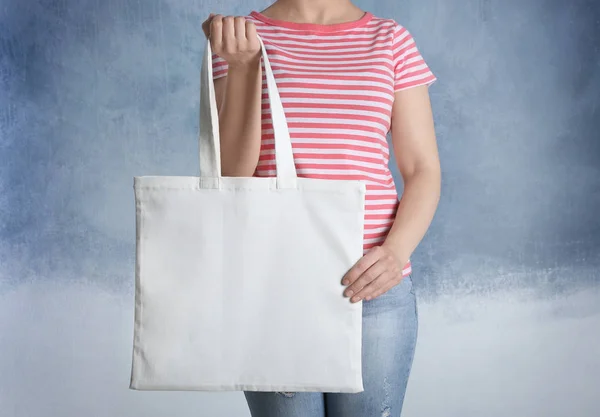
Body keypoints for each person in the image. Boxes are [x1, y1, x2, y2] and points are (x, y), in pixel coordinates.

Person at [201, 0, 441, 415]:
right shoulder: (240, 38)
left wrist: (395, 253)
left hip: (374, 290)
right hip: (272, 289)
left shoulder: (390, 40)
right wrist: (242, 67)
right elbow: (231, 177)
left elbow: (422, 169)